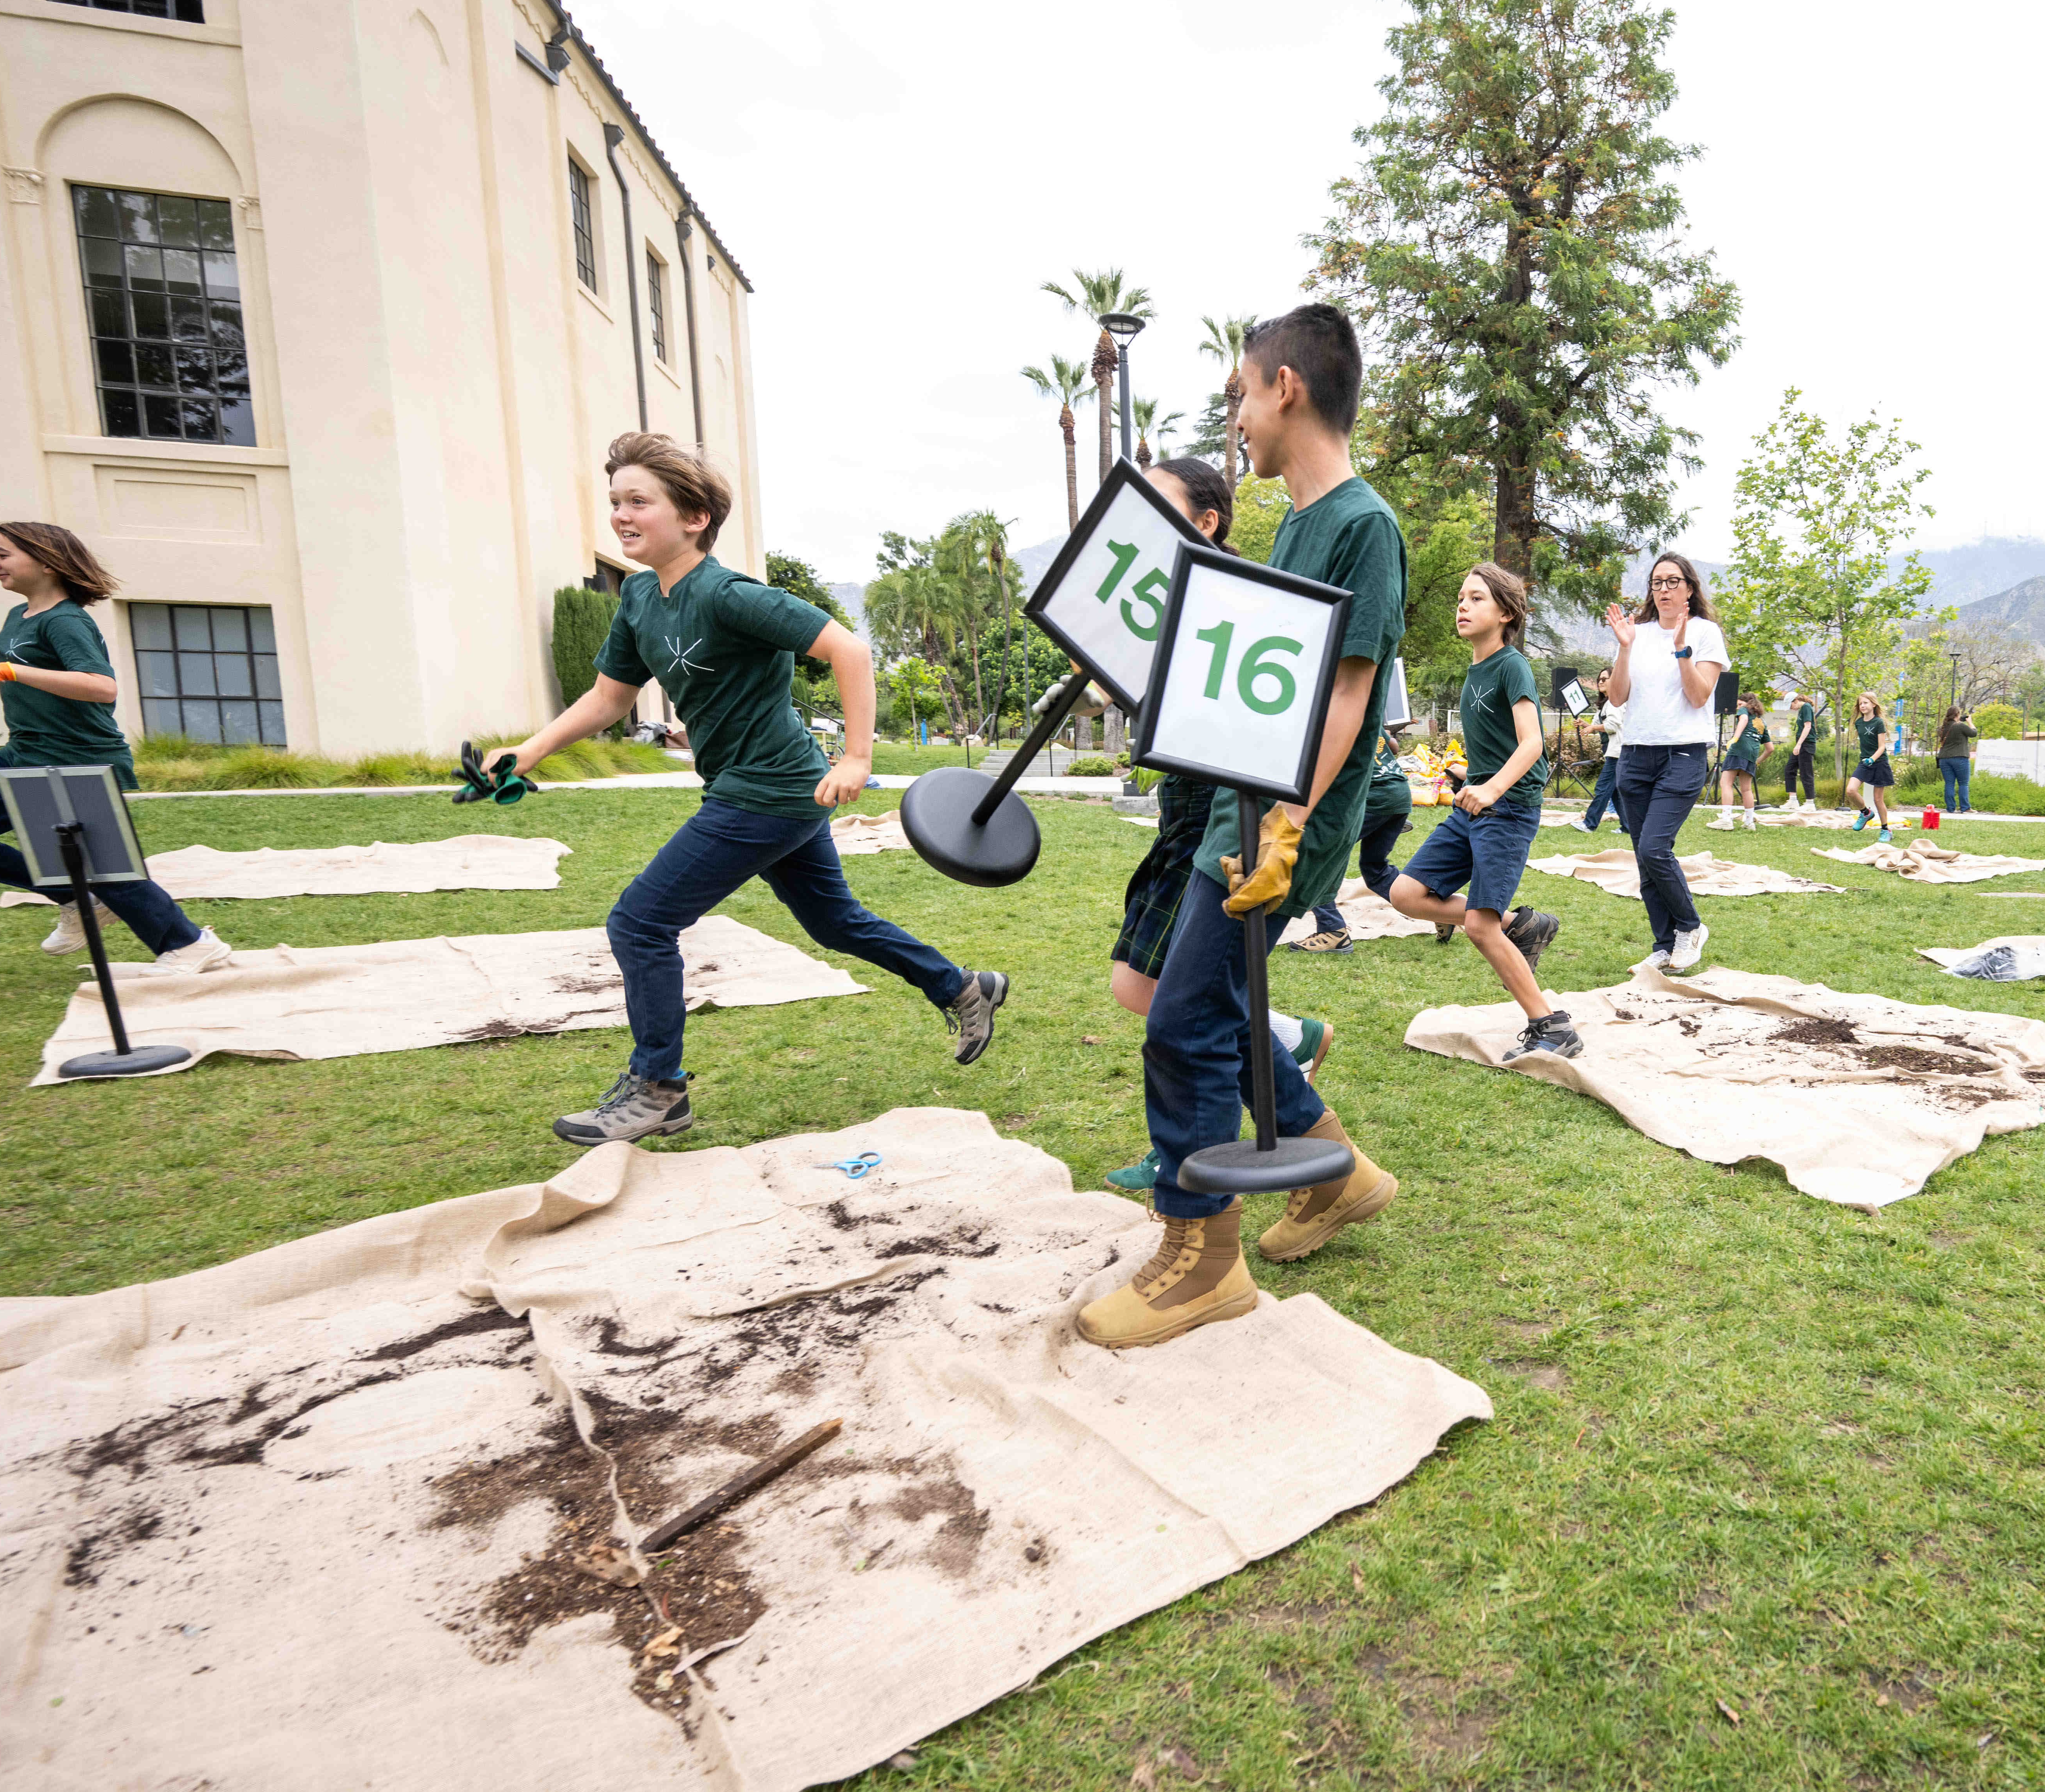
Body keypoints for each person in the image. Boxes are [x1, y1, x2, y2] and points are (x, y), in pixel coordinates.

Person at [491, 434, 1006, 1144]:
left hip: (768, 788)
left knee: (640, 921)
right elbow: (610, 698)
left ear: (695, 515)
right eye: (615, 502)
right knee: (834, 923)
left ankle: (658, 1089)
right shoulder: (640, 597)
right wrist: (531, 750)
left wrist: (857, 757)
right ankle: (961, 986)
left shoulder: (729, 594)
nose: (621, 515)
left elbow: (847, 649)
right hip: (767, 788)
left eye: (639, 501)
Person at [1076, 303, 1407, 1350]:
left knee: (1180, 1022)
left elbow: (1345, 695)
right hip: (1241, 804)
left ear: (1285, 389)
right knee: (1212, 1007)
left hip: (1283, 820)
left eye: (1239, 394)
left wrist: (1285, 828)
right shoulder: (1297, 525)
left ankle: (1201, 1261)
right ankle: (1342, 1177)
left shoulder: (1361, 524)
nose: (1237, 418)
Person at [1107, 460, 1334, 1132]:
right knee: (1155, 992)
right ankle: (1289, 1045)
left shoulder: (1236, 607)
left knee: (1177, 1003)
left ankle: (1198, 1151)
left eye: (1156, 503)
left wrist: (1283, 822)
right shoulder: (1160, 605)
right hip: (1187, 810)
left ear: (1206, 522)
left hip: (1219, 818)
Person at [0, 522, 230, 973]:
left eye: (2, 554)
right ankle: (75, 897)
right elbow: (29, 667)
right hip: (24, 751)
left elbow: (100, 686)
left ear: (46, 562)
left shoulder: (65, 620)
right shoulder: (21, 615)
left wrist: (8, 672)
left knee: (107, 868)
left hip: (76, 757)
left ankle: (191, 944)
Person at [1387, 564, 1573, 1060]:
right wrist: (1467, 777)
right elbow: (1497, 743)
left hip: (1508, 810)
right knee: (1406, 892)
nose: (1462, 607)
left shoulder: (1512, 665)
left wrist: (1491, 788)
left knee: (1479, 925)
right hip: (1475, 804)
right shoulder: (1476, 668)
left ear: (1506, 613)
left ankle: (1552, 1026)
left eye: (1476, 599)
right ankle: (1525, 924)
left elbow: (1533, 742)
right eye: (1461, 598)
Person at [1601, 553, 1727, 974]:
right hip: (1634, 756)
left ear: (1689, 587)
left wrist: (1682, 651)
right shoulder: (1636, 633)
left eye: (1673, 581)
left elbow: (1698, 695)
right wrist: (1624, 648)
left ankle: (1690, 927)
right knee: (1643, 856)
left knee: (1656, 848)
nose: (1665, 589)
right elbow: (1617, 697)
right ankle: (1664, 943)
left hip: (1683, 754)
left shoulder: (1705, 632)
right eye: (1657, 582)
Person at [1293, 724, 1417, 956]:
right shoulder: (1365, 709)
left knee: (1314, 857)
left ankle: (1332, 931)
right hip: (1399, 794)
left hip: (1372, 797)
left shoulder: (1329, 711)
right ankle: (1436, 912)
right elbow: (1393, 746)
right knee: (1375, 867)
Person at [1712, 691, 1766, 830]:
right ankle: (1749, 823)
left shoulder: (1745, 711)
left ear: (1748, 704)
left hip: (1738, 750)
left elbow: (1743, 720)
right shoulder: (1762, 722)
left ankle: (1726, 820)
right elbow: (1770, 748)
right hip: (1752, 755)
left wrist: (1735, 738)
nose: (1738, 708)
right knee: (1747, 790)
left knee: (1726, 783)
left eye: (1740, 704)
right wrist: (1757, 761)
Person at [1579, 668, 1625, 831]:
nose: (1601, 682)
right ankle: (1628, 827)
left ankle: (1589, 824)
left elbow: (1613, 725)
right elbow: (1601, 725)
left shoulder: (1614, 702)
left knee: (1603, 788)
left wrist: (1593, 728)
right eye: (1600, 679)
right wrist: (1588, 725)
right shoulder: (1606, 703)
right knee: (1616, 793)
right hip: (1614, 752)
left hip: (1617, 752)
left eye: (1606, 679)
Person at [1851, 691, 1897, 839]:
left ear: (1874, 704)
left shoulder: (1879, 723)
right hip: (1864, 763)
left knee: (1878, 800)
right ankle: (1866, 813)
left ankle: (1886, 831)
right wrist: (1868, 760)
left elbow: (1882, 747)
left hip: (1879, 763)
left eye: (1865, 703)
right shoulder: (1858, 723)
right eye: (1860, 704)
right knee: (1851, 790)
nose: (1862, 706)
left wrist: (1873, 759)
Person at [1784, 688, 1822, 811]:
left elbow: (1808, 727)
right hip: (1801, 744)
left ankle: (1810, 803)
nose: (1791, 709)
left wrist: (1799, 745)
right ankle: (1793, 801)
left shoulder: (1806, 707)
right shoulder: (1802, 710)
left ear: (1795, 701)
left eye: (1790, 706)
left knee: (1806, 773)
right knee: (1789, 769)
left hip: (1806, 744)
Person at [1935, 705, 1975, 814]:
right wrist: (1970, 722)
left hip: (1944, 759)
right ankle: (1965, 808)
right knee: (1963, 783)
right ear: (1958, 715)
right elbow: (1974, 733)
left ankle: (1950, 809)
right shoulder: (1960, 726)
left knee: (1949, 784)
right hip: (1960, 758)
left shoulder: (1942, 728)